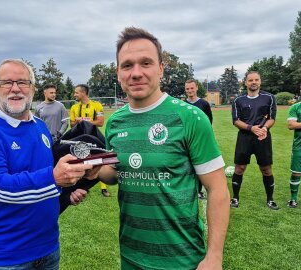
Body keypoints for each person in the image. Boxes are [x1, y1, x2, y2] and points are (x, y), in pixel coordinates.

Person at [97, 27, 230, 270]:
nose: (136, 73)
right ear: (118, 73)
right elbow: (116, 172)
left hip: (182, 259)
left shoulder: (190, 118)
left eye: (145, 63)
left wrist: (214, 257)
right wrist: (91, 170)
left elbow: (218, 189)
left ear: (160, 68)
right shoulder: (115, 122)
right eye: (127, 65)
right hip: (130, 256)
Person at [0, 59, 98, 269]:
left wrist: (66, 191)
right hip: (5, 257)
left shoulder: (40, 127)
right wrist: (54, 179)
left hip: (48, 249)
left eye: (23, 82)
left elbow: (45, 171)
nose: (16, 89)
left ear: (33, 89)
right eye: (7, 82)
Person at [230, 71, 279, 210]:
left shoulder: (269, 98)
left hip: (263, 137)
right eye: (250, 80)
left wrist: (264, 129)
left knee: (266, 169)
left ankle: (270, 199)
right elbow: (235, 121)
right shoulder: (238, 100)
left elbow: (271, 118)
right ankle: (235, 198)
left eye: (256, 79)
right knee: (239, 168)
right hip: (244, 138)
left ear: (260, 81)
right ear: (245, 82)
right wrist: (251, 128)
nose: (253, 82)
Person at [70, 84, 110, 197]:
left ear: (83, 93)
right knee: (80, 162)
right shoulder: (74, 107)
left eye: (76, 92)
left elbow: (100, 122)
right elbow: (72, 124)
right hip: (79, 139)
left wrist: (83, 121)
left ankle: (103, 188)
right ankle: (80, 187)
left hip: (94, 138)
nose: (74, 94)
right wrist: (78, 122)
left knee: (99, 161)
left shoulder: (97, 106)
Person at [185, 79, 213, 200]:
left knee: (199, 165)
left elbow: (208, 122)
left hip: (199, 139)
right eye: (187, 89)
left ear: (196, 88)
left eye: (192, 88)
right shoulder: (182, 104)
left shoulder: (204, 104)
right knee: (186, 165)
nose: (190, 91)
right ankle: (188, 189)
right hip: (185, 140)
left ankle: (200, 190)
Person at [287, 102, 301, 208]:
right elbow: (291, 125)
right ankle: (293, 198)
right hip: (299, 146)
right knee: (296, 173)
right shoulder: (296, 107)